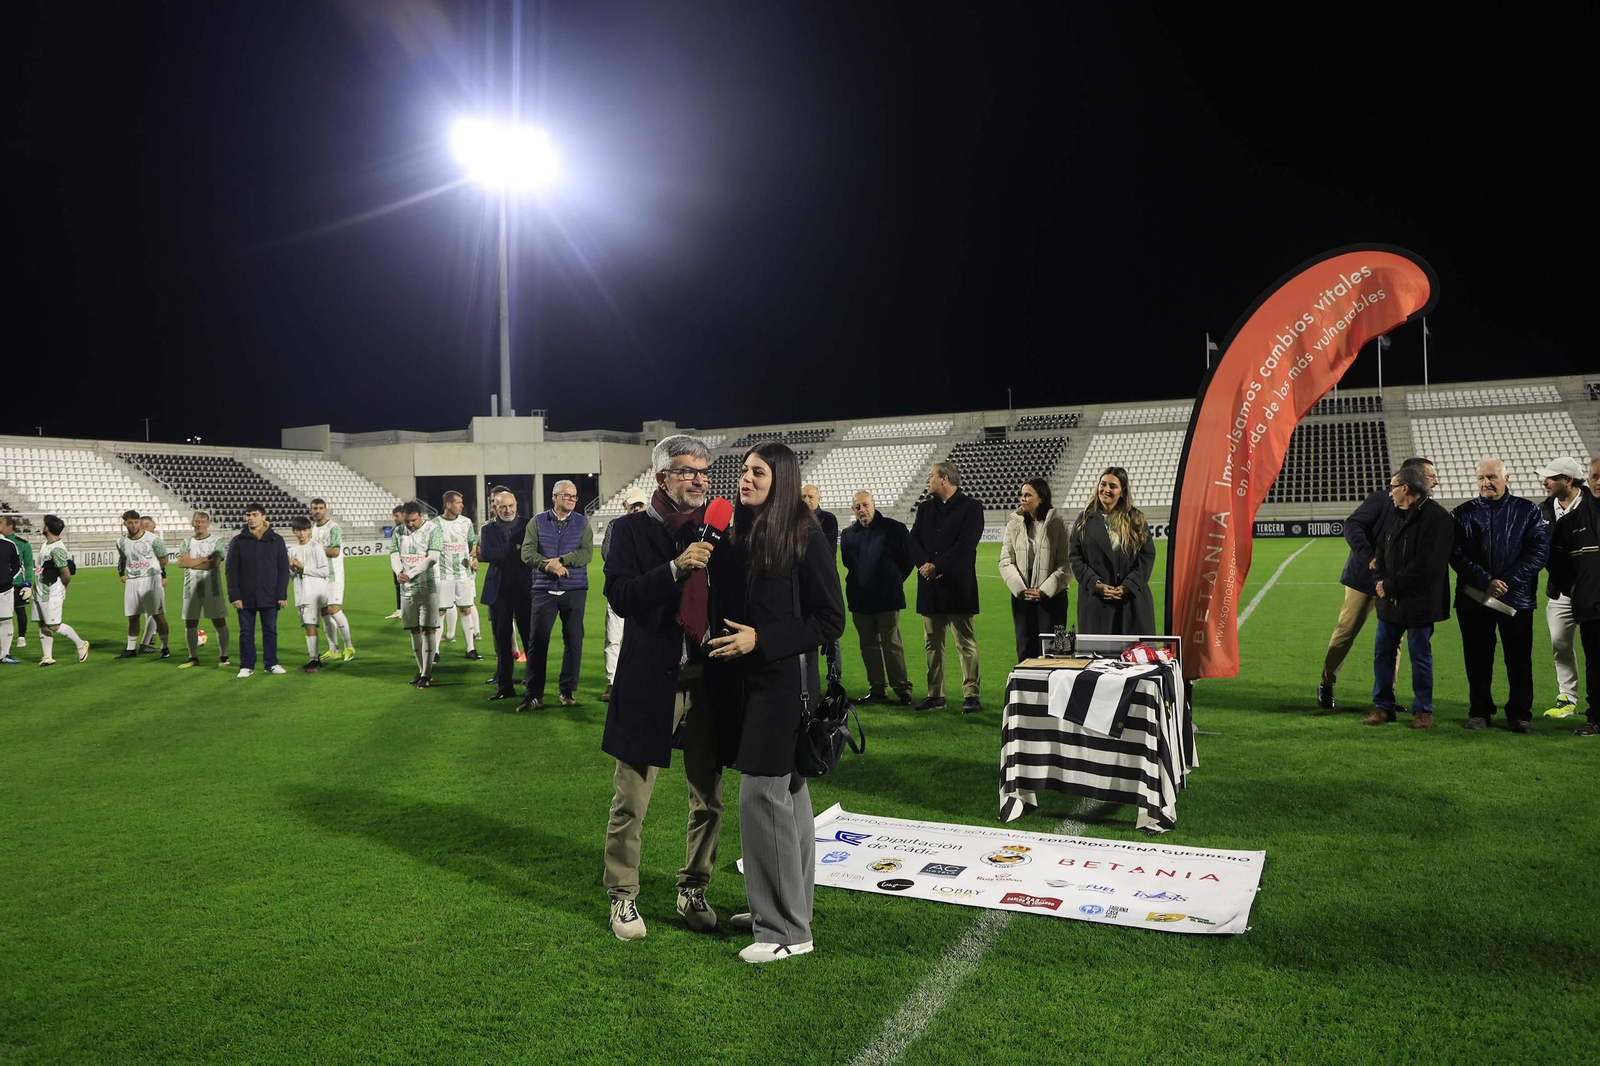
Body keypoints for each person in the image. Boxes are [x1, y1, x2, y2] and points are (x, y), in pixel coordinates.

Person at [707, 442, 845, 963]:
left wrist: (760, 638)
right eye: (744, 470)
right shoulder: (746, 529)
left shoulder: (805, 534)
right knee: (789, 797)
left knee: (761, 798)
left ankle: (786, 931)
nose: (746, 478)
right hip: (752, 684)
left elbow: (830, 620)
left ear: (781, 479)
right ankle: (787, 907)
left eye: (758, 472)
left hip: (784, 686)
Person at [600, 434, 725, 942]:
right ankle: (622, 895)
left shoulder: (718, 529)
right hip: (650, 680)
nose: (698, 479)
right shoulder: (629, 530)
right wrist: (675, 568)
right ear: (662, 478)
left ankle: (694, 887)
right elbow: (621, 596)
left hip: (708, 680)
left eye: (703, 471)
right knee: (632, 799)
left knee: (709, 799)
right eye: (687, 471)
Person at [1317, 458, 1438, 710]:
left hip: (1395, 584)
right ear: (1413, 477)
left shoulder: (1423, 509)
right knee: (1346, 631)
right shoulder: (1382, 499)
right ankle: (1326, 684)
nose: (1435, 482)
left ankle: (1387, 697)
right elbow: (1353, 524)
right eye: (1431, 476)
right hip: (1363, 580)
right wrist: (1368, 557)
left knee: (1394, 640)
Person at [1450, 459, 1549, 733]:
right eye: (1481, 478)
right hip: (1474, 599)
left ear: (1507, 478)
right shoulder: (1462, 513)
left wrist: (1505, 582)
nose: (1486, 483)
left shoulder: (1528, 510)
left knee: (1519, 659)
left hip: (1516, 599)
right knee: (1477, 659)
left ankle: (1520, 715)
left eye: (1492, 477)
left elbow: (1539, 551)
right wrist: (1486, 581)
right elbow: (1455, 554)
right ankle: (1480, 712)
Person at [1361, 466, 1454, 728]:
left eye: (1392, 487)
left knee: (1419, 656)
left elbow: (1427, 564)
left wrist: (1391, 586)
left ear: (1405, 488)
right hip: (1390, 600)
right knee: (1383, 654)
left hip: (1418, 601)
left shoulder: (1437, 518)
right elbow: (1381, 551)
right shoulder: (1395, 513)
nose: (1389, 492)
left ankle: (1423, 710)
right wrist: (1381, 583)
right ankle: (1383, 706)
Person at [910, 461, 984, 713]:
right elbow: (913, 540)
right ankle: (935, 695)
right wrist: (924, 565)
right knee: (932, 643)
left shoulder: (971, 507)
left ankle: (971, 695)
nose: (927, 480)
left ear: (944, 479)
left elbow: (966, 544)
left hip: (958, 586)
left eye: (930, 476)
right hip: (929, 586)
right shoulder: (924, 508)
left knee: (965, 643)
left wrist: (937, 566)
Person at [519, 479, 595, 711]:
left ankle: (567, 691)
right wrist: (548, 566)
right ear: (554, 497)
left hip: (574, 590)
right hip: (543, 590)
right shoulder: (537, 521)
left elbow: (586, 553)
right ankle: (533, 695)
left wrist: (561, 561)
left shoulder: (582, 522)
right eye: (566, 495)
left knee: (574, 641)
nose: (571, 499)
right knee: (538, 642)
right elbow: (527, 552)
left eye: (574, 496)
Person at [838, 490, 914, 705]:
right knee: (868, 646)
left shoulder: (894, 529)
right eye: (858, 507)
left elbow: (908, 561)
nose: (862, 510)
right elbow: (848, 563)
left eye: (865, 505)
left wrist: (892, 580)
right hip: (860, 600)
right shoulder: (848, 534)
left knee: (892, 645)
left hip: (887, 598)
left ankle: (902, 689)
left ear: (874, 504)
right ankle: (877, 689)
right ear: (853, 510)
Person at [1538, 456, 1597, 732]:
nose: (1545, 482)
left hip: (1593, 588)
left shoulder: (1592, 505)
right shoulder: (1542, 510)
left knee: (1595, 650)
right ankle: (1568, 696)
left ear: (1569, 481)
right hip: (1563, 589)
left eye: (1551, 477)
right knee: (1560, 641)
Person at [1068, 467, 1156, 635]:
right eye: (1103, 484)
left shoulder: (1136, 519)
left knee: (1134, 651)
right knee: (1099, 651)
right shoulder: (1083, 519)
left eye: (1113, 486)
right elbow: (1075, 557)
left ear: (1122, 491)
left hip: (1132, 601)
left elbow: (1147, 557)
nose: (1106, 489)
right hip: (1096, 602)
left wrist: (1128, 586)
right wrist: (1095, 584)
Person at [999, 477, 1071, 661]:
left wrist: (1044, 591)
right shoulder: (1013, 524)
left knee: (1055, 650)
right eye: (1022, 495)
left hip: (1053, 596)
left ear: (1041, 498)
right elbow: (1006, 561)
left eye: (1028, 495)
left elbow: (1065, 563)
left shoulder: (1058, 524)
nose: (1022, 498)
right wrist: (1021, 589)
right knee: (1025, 648)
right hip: (1023, 595)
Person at [479, 487, 532, 703]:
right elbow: (486, 554)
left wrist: (504, 553)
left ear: (516, 505)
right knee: (502, 642)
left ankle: (533, 684)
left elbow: (530, 553)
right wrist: (514, 550)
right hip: (499, 592)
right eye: (503, 507)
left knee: (530, 639)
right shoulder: (487, 529)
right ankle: (504, 686)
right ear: (495, 508)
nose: (508, 510)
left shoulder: (529, 524)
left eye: (511, 506)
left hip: (524, 590)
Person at [225, 503, 290, 678]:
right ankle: (246, 665)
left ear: (263, 516)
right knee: (246, 632)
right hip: (245, 596)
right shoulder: (238, 541)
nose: (251, 518)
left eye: (254, 515)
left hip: (270, 595)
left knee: (270, 631)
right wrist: (234, 595)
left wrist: (281, 594)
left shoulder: (276, 540)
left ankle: (271, 663)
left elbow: (283, 569)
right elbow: (231, 570)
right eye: (248, 515)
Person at [601, 488, 650, 702]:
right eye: (633, 505)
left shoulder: (654, 526)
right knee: (613, 637)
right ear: (625, 506)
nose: (637, 509)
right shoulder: (615, 525)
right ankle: (612, 682)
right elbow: (607, 553)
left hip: (645, 592)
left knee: (644, 638)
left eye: (640, 505)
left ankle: (639, 680)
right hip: (619, 591)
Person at [392, 500, 443, 688]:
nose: (410, 524)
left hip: (428, 588)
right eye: (407, 521)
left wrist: (410, 574)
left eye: (413, 520)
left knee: (428, 629)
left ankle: (426, 674)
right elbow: (394, 555)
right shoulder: (398, 531)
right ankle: (422, 672)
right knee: (413, 629)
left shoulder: (433, 530)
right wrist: (399, 572)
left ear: (421, 516)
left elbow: (433, 558)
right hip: (407, 589)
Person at [175, 510, 231, 669]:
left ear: (208, 524)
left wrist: (191, 563)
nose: (199, 524)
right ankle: (193, 657)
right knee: (190, 622)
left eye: (203, 521)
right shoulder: (186, 542)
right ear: (193, 523)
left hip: (212, 588)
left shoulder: (217, 541)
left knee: (219, 621)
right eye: (197, 521)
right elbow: (182, 563)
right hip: (190, 588)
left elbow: (214, 564)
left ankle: (224, 657)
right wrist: (204, 559)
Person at [29, 515, 88, 665]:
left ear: (47, 528)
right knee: (42, 624)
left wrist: (65, 584)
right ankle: (47, 656)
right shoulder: (46, 544)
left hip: (51, 592)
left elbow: (66, 573)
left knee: (54, 625)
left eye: (44, 524)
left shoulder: (57, 549)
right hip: (40, 590)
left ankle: (81, 644)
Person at [433, 490, 482, 661]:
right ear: (448, 504)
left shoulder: (466, 522)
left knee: (466, 609)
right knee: (441, 612)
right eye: (458, 502)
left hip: (463, 574)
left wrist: (474, 558)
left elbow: (472, 543)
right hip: (443, 575)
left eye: (461, 502)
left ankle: (470, 648)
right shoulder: (434, 524)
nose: (462, 505)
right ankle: (435, 651)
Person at [116, 509, 170, 659]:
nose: (133, 525)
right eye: (130, 523)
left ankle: (165, 647)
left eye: (136, 522)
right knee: (132, 616)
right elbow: (123, 558)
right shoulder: (121, 541)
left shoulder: (153, 539)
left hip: (151, 579)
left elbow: (164, 559)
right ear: (125, 524)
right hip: (132, 581)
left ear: (139, 522)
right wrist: (123, 573)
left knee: (158, 615)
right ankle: (131, 648)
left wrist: (153, 571)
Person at [309, 498, 355, 662]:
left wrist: (314, 550)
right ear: (311, 510)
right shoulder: (313, 529)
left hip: (333, 575)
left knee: (334, 610)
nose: (317, 511)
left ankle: (349, 646)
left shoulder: (333, 527)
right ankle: (333, 649)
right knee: (325, 613)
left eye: (320, 508)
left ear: (325, 510)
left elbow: (335, 551)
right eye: (315, 508)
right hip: (320, 576)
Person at [287, 516, 331, 673]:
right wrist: (291, 569)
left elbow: (325, 571)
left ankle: (314, 661)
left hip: (313, 592)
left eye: (304, 530)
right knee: (306, 625)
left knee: (310, 624)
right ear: (293, 531)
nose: (301, 533)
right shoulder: (291, 551)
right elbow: (291, 576)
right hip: (300, 593)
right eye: (298, 530)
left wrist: (303, 567)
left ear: (309, 530)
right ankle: (314, 659)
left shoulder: (316, 547)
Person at [0, 515, 34, 649]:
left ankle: (21, 637)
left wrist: (28, 584)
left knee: (20, 610)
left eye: (1, 523)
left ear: (10, 526)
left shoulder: (22, 544)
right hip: (2, 585)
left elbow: (28, 565)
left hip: (17, 583)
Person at [0, 531, 20, 664]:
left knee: (6, 621)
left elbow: (17, 566)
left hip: (5, 590)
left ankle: (4, 654)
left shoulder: (9, 544)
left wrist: (8, 579)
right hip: (5, 588)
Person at [801, 484, 839, 550]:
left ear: (819, 499)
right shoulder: (794, 519)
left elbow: (830, 548)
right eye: (804, 497)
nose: (806, 500)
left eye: (810, 497)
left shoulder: (828, 518)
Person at [385, 504, 405, 621]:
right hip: (397, 562)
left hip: (408, 562)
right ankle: (400, 610)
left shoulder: (410, 529)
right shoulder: (395, 530)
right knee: (398, 586)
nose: (395, 518)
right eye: (394, 516)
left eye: (397, 516)